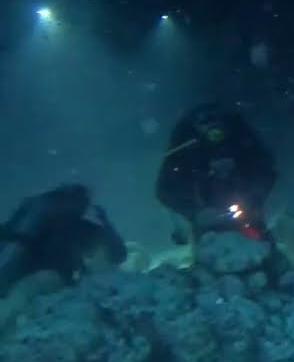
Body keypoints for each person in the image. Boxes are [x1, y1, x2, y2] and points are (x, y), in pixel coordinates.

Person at [155, 102, 277, 244]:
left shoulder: (241, 139)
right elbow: (165, 191)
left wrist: (255, 201)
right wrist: (195, 213)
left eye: (216, 125)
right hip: (207, 223)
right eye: (205, 125)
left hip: (246, 215)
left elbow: (267, 170)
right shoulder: (184, 149)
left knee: (261, 245)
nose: (213, 132)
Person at [0, 183, 127, 296]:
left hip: (42, 265)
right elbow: (119, 254)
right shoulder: (80, 227)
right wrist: (106, 223)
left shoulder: (73, 226)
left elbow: (119, 254)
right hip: (48, 267)